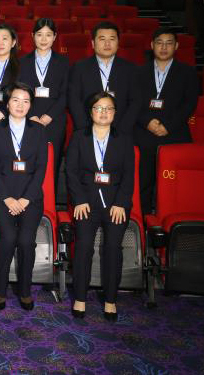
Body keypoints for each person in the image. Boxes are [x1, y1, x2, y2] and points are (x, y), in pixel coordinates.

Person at [66, 92, 135, 322]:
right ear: (91, 111)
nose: (103, 112)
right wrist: (79, 200)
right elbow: (71, 172)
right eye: (98, 107)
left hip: (116, 204)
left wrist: (121, 203)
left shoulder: (124, 139)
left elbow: (129, 175)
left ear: (114, 113)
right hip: (86, 202)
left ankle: (110, 300)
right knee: (84, 246)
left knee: (113, 248)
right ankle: (80, 297)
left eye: (108, 108)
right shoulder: (79, 137)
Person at [0, 82, 47, 311]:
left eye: (26, 101)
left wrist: (25, 199)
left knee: (26, 241)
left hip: (30, 197)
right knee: (8, 238)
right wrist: (7, 199)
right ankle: (0, 289)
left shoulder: (38, 130)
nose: (20, 105)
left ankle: (25, 290)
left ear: (31, 105)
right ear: (7, 103)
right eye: (15, 100)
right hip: (1, 196)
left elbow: (41, 169)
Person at [134, 28, 199, 214]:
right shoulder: (138, 72)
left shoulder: (188, 72)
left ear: (176, 46)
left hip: (174, 134)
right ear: (152, 45)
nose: (164, 47)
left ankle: (170, 222)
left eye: (169, 43)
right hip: (144, 134)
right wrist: (147, 122)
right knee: (143, 183)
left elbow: (189, 103)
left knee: (174, 187)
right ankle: (144, 220)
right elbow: (133, 101)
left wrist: (168, 126)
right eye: (159, 43)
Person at [18, 18, 68, 187]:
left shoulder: (64, 62)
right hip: (28, 119)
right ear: (33, 36)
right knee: (28, 164)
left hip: (54, 121)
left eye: (48, 35)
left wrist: (48, 117)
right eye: (39, 34)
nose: (44, 39)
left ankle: (50, 202)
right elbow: (19, 92)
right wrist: (31, 115)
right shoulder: (22, 62)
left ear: (55, 37)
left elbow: (65, 94)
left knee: (52, 165)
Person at [68, 21, 139, 134]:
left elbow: (135, 102)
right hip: (87, 131)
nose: (107, 43)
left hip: (121, 132)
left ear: (118, 43)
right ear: (93, 43)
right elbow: (74, 101)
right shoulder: (79, 68)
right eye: (102, 39)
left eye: (112, 39)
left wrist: (122, 130)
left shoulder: (131, 69)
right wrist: (86, 129)